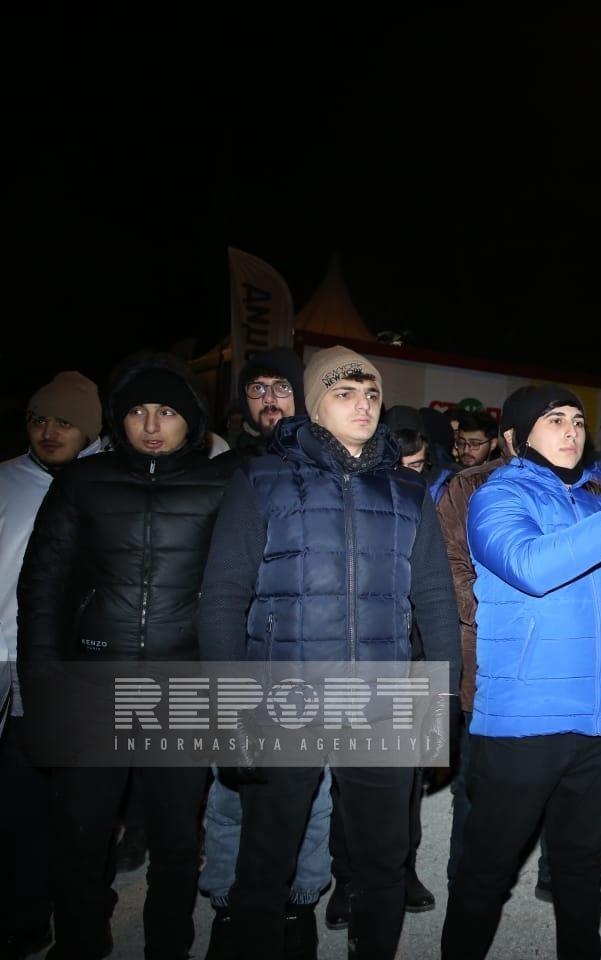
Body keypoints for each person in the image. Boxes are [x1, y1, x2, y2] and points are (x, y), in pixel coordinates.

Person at [197, 346, 460, 960]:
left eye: (370, 394)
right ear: (314, 406)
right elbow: (222, 600)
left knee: (382, 867)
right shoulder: (260, 481)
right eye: (345, 394)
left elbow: (434, 602)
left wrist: (444, 700)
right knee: (266, 863)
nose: (363, 405)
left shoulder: (406, 491)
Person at [441, 385, 601, 960]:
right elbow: (530, 565)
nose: (572, 430)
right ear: (520, 436)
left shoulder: (599, 505)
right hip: (524, 720)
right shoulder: (496, 497)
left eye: (578, 420)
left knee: (578, 873)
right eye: (555, 420)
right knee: (486, 873)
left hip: (598, 723)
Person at [20, 353, 238, 960]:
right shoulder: (82, 482)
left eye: (166, 411)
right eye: (138, 410)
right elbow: (43, 588)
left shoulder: (223, 481)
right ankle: (80, 942)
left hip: (184, 684)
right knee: (81, 836)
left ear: (189, 420)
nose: (150, 424)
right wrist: (42, 689)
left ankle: (168, 944)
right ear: (118, 418)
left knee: (174, 836)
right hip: (93, 682)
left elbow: (237, 589)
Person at [200, 350, 329, 959]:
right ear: (243, 399)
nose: (270, 398)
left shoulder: (322, 464)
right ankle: (227, 903)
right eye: (258, 388)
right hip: (242, 651)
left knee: (314, 794)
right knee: (230, 794)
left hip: (303, 655)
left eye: (282, 386)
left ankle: (300, 902)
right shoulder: (220, 468)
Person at [0, 370, 101, 959]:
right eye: (40, 419)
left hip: (65, 666)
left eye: (64, 422)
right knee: (17, 803)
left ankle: (51, 906)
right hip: (4, 656)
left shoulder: (97, 486)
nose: (49, 431)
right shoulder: (6, 481)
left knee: (55, 800)